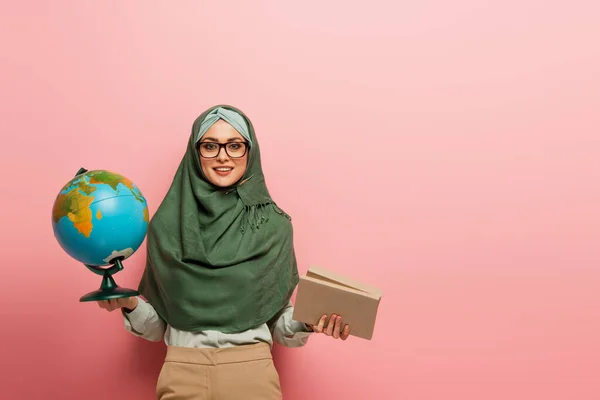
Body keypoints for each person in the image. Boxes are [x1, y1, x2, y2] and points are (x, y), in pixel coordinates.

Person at [97, 105, 351, 399]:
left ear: (249, 151)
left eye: (234, 145)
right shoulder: (166, 226)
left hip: (252, 375)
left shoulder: (273, 226)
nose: (222, 156)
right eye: (210, 146)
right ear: (195, 153)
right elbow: (158, 329)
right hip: (182, 372)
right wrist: (129, 303)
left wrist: (310, 321)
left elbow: (279, 327)